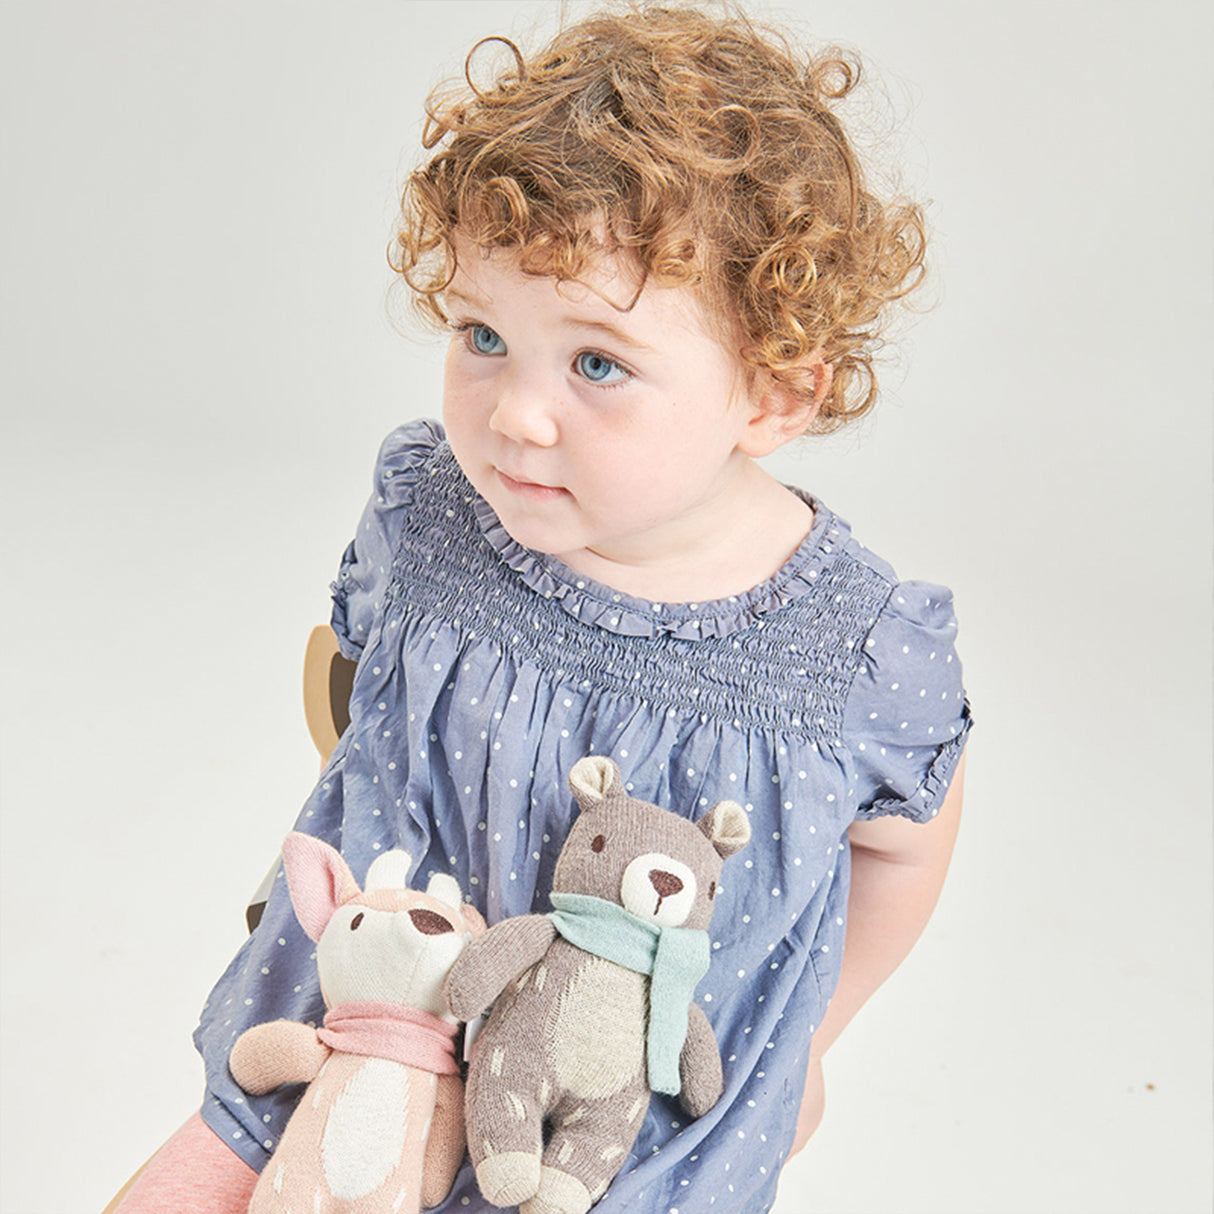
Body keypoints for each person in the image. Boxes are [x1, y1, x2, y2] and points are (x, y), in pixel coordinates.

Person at [111, 6, 971, 1212]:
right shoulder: (432, 511)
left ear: (773, 391)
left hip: (615, 1134)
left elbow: (904, 840)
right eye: (481, 334)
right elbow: (364, 708)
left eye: (597, 363)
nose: (514, 413)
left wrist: (815, 1031)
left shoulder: (852, 647)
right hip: (362, 1041)